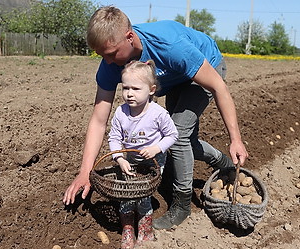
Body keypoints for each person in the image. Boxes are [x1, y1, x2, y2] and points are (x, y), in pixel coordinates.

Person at [63, 6, 249, 230]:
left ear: (129, 37)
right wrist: (85, 172)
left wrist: (235, 139)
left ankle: (182, 204)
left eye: (111, 54)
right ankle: (220, 161)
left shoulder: (170, 46)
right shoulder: (110, 63)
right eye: (102, 55)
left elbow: (219, 88)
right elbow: (99, 120)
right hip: (175, 78)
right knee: (176, 139)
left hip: (205, 66)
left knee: (178, 134)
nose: (108, 62)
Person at [108, 59, 178, 249]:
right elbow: (114, 138)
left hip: (153, 162)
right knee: (127, 195)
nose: (129, 94)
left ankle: (145, 230)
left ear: (151, 90)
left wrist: (156, 149)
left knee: (144, 195)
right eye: (125, 88)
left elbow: (172, 135)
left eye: (136, 89)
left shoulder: (158, 114)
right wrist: (119, 158)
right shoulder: (121, 113)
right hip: (129, 161)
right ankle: (128, 229)